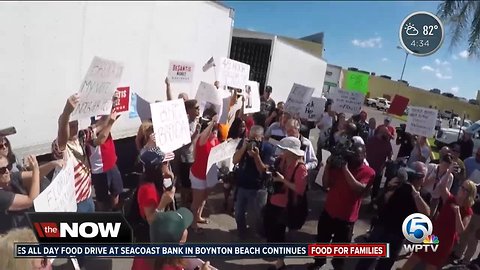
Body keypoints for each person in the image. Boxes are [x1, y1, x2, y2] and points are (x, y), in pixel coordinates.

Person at [308, 143, 375, 270]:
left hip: (346, 217)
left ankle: (337, 265)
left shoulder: (368, 172)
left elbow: (358, 188)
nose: (353, 158)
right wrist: (328, 166)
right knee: (322, 241)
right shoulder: (338, 166)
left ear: (364, 155)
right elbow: (325, 184)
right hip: (329, 212)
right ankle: (318, 263)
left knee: (341, 249)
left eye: (357, 155)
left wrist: (345, 169)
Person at [355, 162, 430, 270]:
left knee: (385, 265)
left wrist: (414, 192)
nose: (420, 178)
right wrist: (390, 188)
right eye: (418, 174)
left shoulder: (423, 194)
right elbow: (380, 203)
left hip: (399, 234)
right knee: (366, 260)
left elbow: (426, 213)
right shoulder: (399, 185)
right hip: (382, 227)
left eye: (422, 175)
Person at [401, 178, 476, 270]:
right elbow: (441, 186)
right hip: (434, 236)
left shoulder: (468, 211)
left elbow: (460, 230)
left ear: (469, 194)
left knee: (431, 266)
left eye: (465, 189)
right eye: (462, 187)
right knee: (415, 257)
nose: (462, 190)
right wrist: (449, 171)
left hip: (445, 243)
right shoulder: (451, 199)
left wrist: (457, 213)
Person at [264, 137, 308, 270]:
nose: (282, 152)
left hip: (285, 206)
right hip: (273, 200)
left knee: (279, 235)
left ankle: (280, 263)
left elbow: (300, 189)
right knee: (270, 230)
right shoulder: (281, 160)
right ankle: (276, 258)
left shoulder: (301, 168)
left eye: (285, 150)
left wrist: (283, 181)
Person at [52, 94, 94, 213]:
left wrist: (111, 109)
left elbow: (100, 126)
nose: (75, 128)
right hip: (75, 203)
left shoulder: (81, 137)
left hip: (88, 197)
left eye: (76, 125)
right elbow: (62, 134)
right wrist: (66, 112)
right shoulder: (59, 146)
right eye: (71, 126)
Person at [232, 125, 274, 238]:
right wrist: (243, 148)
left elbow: (263, 170)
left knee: (258, 215)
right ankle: (242, 232)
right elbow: (235, 160)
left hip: (258, 188)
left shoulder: (267, 148)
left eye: (256, 139)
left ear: (262, 138)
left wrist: (256, 156)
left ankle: (260, 234)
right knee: (239, 214)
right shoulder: (243, 144)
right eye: (251, 138)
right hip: (242, 185)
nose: (253, 142)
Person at [85, 110, 123, 211]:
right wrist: (110, 122)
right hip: (99, 170)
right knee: (101, 198)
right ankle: (103, 216)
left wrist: (117, 107)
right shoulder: (89, 133)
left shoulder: (105, 125)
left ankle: (115, 211)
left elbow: (115, 115)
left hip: (112, 165)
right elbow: (101, 139)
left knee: (116, 191)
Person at [190, 115, 220, 232]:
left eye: (216, 131)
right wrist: (212, 123)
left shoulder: (215, 140)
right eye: (213, 131)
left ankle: (198, 216)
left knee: (204, 197)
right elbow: (204, 135)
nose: (215, 132)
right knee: (197, 200)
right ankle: (193, 224)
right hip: (198, 175)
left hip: (209, 175)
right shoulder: (202, 141)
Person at [176, 100, 201, 208]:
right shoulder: (184, 123)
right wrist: (195, 134)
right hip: (186, 158)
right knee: (186, 184)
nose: (198, 110)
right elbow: (185, 143)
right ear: (189, 110)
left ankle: (191, 203)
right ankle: (184, 205)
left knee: (194, 182)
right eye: (196, 108)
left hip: (195, 157)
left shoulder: (197, 121)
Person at [365, 126, 393, 206]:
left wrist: (387, 162)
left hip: (379, 171)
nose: (388, 136)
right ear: (381, 133)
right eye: (386, 134)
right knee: (365, 186)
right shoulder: (371, 140)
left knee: (375, 189)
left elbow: (390, 156)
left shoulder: (387, 143)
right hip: (368, 169)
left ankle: (371, 205)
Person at [422, 153, 454, 219]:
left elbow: (445, 195)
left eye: (447, 166)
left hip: (434, 199)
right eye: (444, 165)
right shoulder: (431, 167)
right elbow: (421, 184)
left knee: (428, 218)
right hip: (423, 194)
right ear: (441, 161)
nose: (445, 168)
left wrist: (442, 186)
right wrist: (431, 180)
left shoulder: (450, 176)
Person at [315, 99, 334, 165]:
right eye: (329, 108)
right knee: (319, 156)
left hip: (331, 141)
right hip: (322, 139)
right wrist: (319, 125)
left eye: (332, 108)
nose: (330, 110)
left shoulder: (336, 118)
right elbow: (317, 124)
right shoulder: (323, 115)